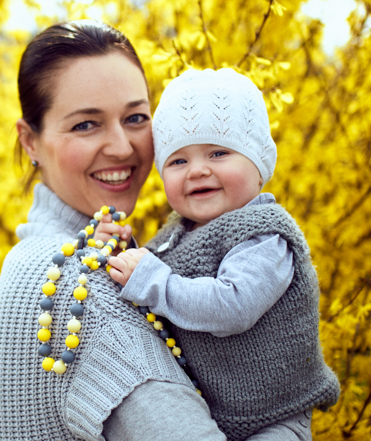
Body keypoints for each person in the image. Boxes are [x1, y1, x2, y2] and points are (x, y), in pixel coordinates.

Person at [0, 20, 226, 441]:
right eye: (86, 124)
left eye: (136, 117)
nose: (122, 147)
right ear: (30, 141)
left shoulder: (43, 257)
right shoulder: (78, 282)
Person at [105, 68, 340, 441]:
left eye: (218, 152)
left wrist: (150, 278)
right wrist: (123, 254)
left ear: (259, 166)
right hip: (208, 412)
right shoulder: (175, 233)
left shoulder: (263, 235)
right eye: (178, 161)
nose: (198, 170)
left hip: (275, 418)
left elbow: (232, 307)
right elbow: (152, 286)